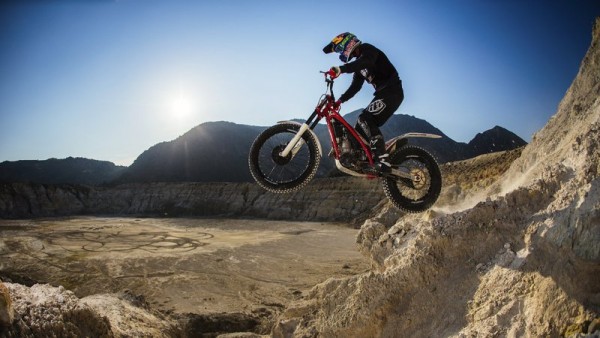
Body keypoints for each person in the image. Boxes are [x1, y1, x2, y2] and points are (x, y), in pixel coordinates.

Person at [323, 32, 404, 172]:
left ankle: (382, 158)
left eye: (341, 49)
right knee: (359, 131)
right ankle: (366, 161)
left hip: (392, 92)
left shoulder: (368, 50)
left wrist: (341, 69)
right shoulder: (359, 68)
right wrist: (340, 100)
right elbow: (355, 87)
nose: (341, 53)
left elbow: (365, 62)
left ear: (347, 44)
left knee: (365, 118)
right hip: (383, 94)